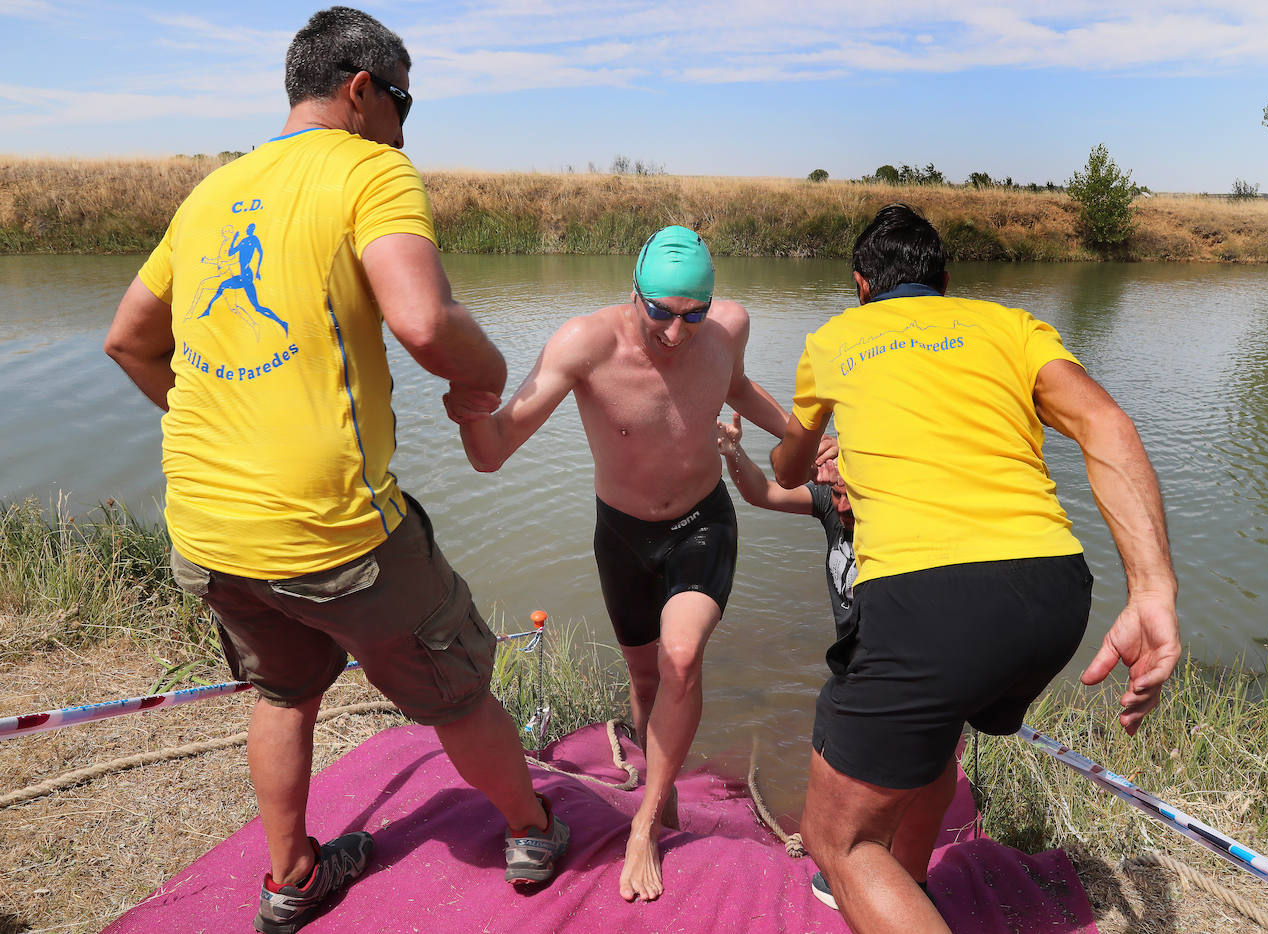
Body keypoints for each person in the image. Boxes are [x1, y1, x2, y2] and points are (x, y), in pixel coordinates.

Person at [104, 9, 567, 933]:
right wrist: (486, 377)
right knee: (459, 685)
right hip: (333, 527)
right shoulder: (372, 168)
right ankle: (529, 827)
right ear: (361, 90)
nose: (405, 127)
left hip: (207, 528)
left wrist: (227, 423)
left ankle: (291, 879)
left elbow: (128, 340)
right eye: (403, 102)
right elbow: (426, 322)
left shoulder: (211, 193)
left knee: (283, 690)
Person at [769, 204, 1180, 934]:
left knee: (840, 839)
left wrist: (796, 453)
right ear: (946, 282)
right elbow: (1107, 424)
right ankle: (912, 882)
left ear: (860, 285)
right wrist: (1151, 588)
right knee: (940, 725)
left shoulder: (835, 339)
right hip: (1055, 590)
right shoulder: (1011, 326)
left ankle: (877, 881)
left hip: (928, 600)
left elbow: (790, 462)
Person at [451, 225, 822, 903]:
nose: (676, 333)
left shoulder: (729, 328)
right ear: (635, 294)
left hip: (701, 524)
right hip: (621, 533)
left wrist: (810, 438)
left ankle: (645, 826)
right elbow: (494, 450)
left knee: (682, 656)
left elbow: (735, 385)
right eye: (660, 313)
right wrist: (470, 410)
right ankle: (664, 787)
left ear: (712, 306)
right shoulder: (585, 344)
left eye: (693, 316)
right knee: (645, 678)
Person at [715, 412, 855, 645]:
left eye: (852, 498)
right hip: (849, 654)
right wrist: (734, 451)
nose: (842, 507)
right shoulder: (827, 502)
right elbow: (761, 492)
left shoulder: (898, 508)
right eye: (838, 494)